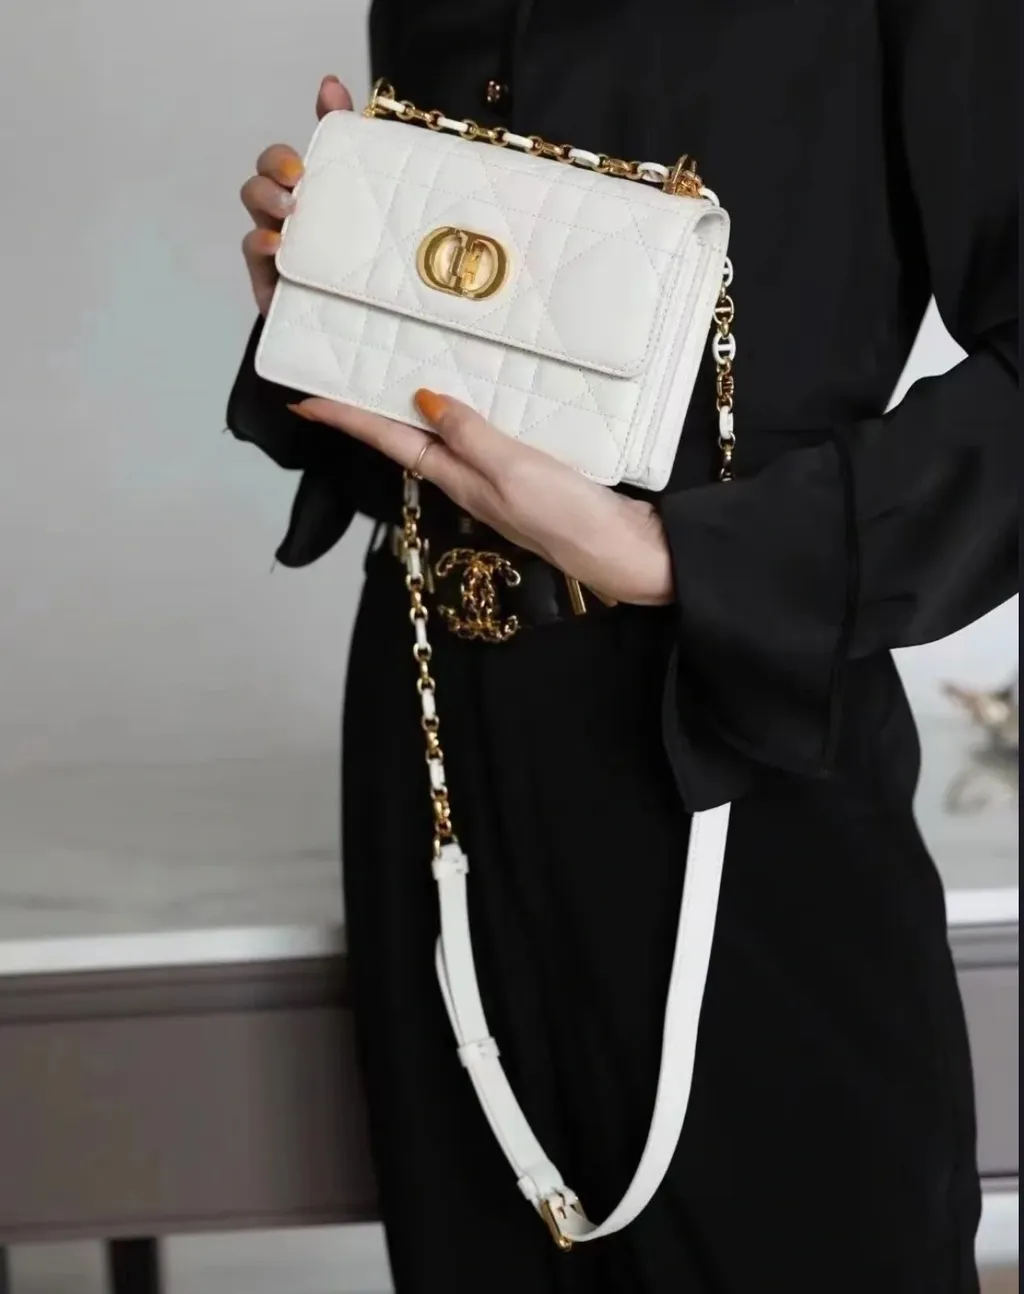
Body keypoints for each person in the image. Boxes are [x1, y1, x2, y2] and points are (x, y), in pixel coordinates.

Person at [226, 0, 1018, 1289]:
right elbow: (506, 346)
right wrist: (344, 292)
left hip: (729, 741)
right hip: (433, 738)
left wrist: (680, 555)